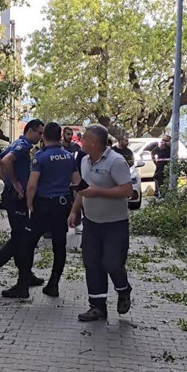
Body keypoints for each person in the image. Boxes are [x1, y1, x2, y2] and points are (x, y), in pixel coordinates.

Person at [3, 122, 81, 299]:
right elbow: (77, 183)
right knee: (59, 246)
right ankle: (53, 284)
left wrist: (30, 204)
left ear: (44, 136)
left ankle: (22, 286)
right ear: (60, 136)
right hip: (63, 205)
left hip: (43, 206)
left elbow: (31, 185)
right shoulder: (69, 157)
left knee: (27, 244)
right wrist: (76, 209)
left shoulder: (41, 157)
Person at [68, 124, 134, 321]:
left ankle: (123, 290)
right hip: (92, 223)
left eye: (85, 138)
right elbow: (84, 189)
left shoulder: (116, 162)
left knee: (112, 263)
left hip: (114, 224)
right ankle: (97, 306)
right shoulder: (85, 161)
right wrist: (74, 211)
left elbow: (127, 191)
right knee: (92, 263)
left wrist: (98, 192)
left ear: (94, 142)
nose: (81, 141)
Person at [0, 119, 46, 290]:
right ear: (30, 131)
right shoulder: (22, 146)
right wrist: (13, 182)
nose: (41, 136)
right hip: (16, 199)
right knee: (19, 239)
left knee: (20, 236)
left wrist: (8, 182)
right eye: (39, 132)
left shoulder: (20, 144)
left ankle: (25, 274)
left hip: (13, 197)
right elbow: (6, 160)